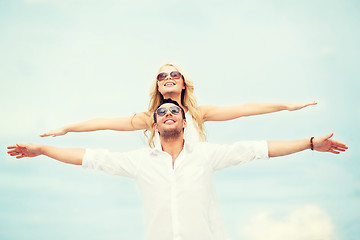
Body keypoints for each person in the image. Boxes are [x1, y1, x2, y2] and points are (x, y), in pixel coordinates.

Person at [8, 99, 346, 240]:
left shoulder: (207, 155)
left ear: (185, 121)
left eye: (174, 111)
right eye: (161, 113)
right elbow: (88, 156)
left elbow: (259, 149)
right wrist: (43, 149)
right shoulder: (139, 162)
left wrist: (311, 142)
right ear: (154, 125)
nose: (167, 114)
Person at [40, 63, 317, 147]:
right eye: (162, 76)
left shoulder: (199, 114)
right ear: (158, 86)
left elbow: (247, 108)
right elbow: (100, 123)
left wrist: (286, 106)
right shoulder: (149, 118)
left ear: (183, 84)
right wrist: (66, 129)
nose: (168, 78)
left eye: (175, 75)